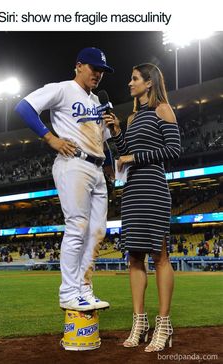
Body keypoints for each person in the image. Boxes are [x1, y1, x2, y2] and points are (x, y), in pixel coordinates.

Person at [15, 47, 114, 311]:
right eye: (94, 68)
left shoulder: (97, 102)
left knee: (97, 232)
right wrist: (51, 138)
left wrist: (111, 165)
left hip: (97, 166)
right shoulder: (62, 89)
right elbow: (24, 107)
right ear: (79, 66)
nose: (98, 74)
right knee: (78, 228)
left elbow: (104, 141)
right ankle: (68, 293)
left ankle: (84, 288)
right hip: (74, 163)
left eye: (102, 71)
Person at [103, 63, 181, 351]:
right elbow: (124, 153)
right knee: (134, 258)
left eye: (134, 78)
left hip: (153, 188)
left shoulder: (163, 110)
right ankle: (139, 322)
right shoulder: (133, 116)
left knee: (159, 256)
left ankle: (164, 323)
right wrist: (117, 132)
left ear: (149, 83)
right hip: (133, 191)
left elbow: (173, 150)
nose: (129, 83)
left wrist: (133, 157)